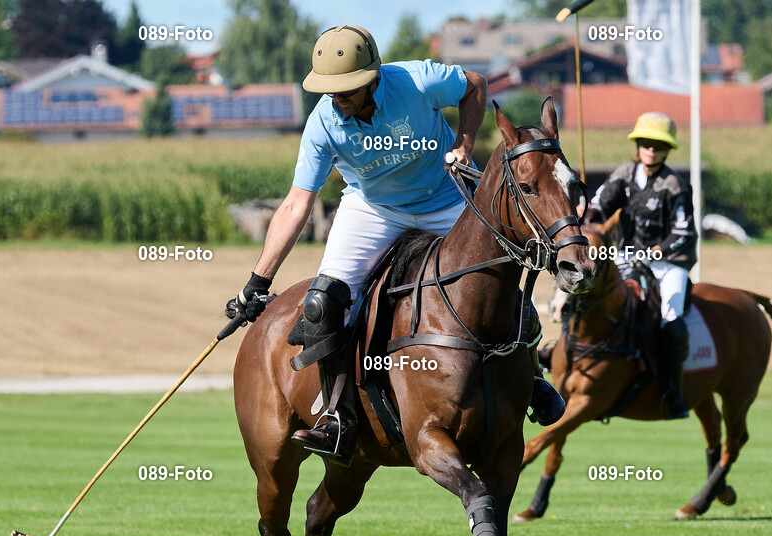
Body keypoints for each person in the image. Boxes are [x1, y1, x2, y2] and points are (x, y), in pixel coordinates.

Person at [226, 25, 564, 465]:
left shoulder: (415, 80)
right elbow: (296, 205)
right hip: (373, 208)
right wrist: (258, 280)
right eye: (329, 89)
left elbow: (475, 86)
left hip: (447, 196)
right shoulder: (322, 123)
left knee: (499, 276)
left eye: (345, 88)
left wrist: (463, 144)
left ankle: (532, 377)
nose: (336, 97)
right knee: (323, 306)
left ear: (372, 77)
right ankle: (337, 415)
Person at [587, 111, 697, 419]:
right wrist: (590, 212)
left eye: (658, 145)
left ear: (667, 150)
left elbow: (683, 232)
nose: (651, 149)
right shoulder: (624, 173)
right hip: (624, 256)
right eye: (646, 143)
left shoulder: (674, 185)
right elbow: (601, 202)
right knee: (588, 289)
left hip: (668, 262)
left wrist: (655, 252)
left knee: (670, 314)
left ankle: (674, 391)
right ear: (638, 145)